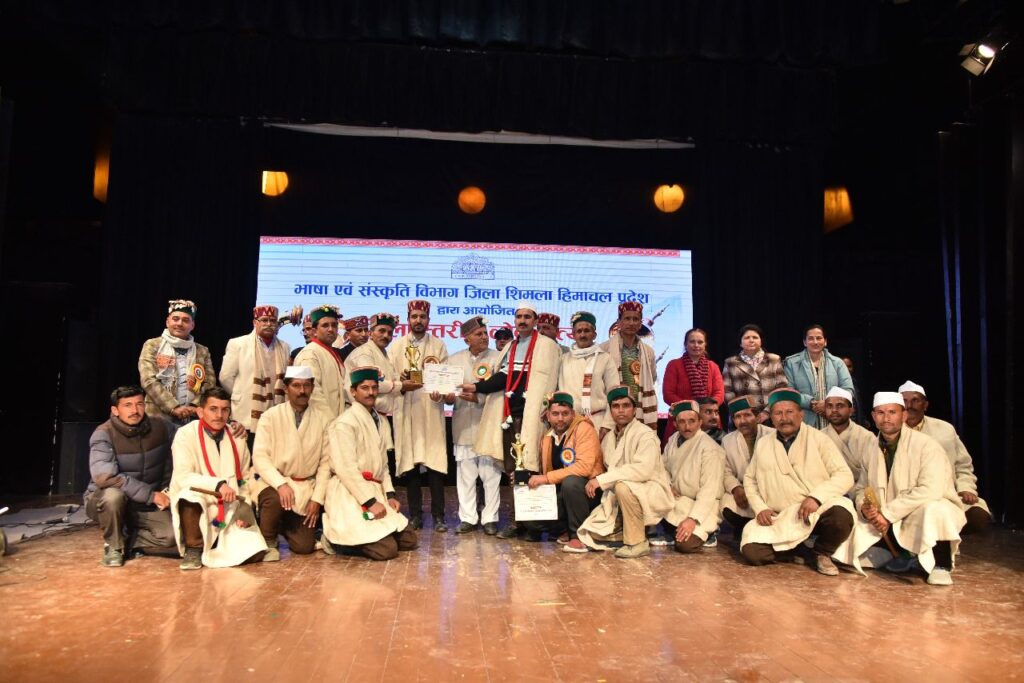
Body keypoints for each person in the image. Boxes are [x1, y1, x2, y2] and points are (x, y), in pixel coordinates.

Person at [464, 302, 561, 538]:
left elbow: (555, 382)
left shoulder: (548, 346)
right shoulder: (511, 346)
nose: (523, 320)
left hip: (535, 420)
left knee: (532, 469)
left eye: (527, 316)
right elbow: (503, 377)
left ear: (535, 321)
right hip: (510, 418)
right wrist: (476, 387)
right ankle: (518, 522)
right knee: (513, 471)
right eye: (519, 317)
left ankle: (535, 526)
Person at [851, 391, 967, 586]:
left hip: (918, 510)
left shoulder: (927, 445)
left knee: (935, 509)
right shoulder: (870, 446)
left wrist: (888, 514)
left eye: (892, 412)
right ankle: (898, 554)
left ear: (904, 415)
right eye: (880, 413)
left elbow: (931, 490)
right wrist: (865, 507)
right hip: (887, 516)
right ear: (873, 416)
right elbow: (862, 487)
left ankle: (940, 565)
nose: (886, 418)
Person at [740, 388, 856, 576]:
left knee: (841, 517)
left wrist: (816, 498)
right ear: (772, 418)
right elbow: (750, 480)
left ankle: (821, 552)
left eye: (789, 412)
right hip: (781, 516)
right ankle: (802, 550)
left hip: (815, 511)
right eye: (778, 413)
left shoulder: (819, 439)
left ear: (801, 415)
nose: (784, 418)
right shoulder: (764, 443)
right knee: (752, 552)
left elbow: (844, 475)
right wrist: (760, 508)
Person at [321, 367, 419, 560]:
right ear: (353, 391)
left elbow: (383, 465)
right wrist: (370, 502)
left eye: (374, 388)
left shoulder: (379, 421)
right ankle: (335, 542)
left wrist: (389, 495)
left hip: (375, 490)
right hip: (351, 494)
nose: (371, 392)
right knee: (387, 550)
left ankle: (376, 535)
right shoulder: (344, 423)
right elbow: (345, 469)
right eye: (365, 388)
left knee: (409, 540)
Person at [170, 387, 270, 570]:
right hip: (202, 502)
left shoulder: (237, 436)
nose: (219, 415)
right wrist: (218, 485)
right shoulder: (185, 434)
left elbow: (244, 478)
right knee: (188, 496)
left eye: (225, 410)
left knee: (256, 552)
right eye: (213, 409)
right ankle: (194, 548)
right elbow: (183, 476)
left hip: (230, 507)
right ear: (200, 412)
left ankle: (217, 543)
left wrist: (245, 509)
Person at [85, 386, 179, 566]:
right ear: (115, 410)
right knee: (113, 497)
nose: (135, 410)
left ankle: (125, 539)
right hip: (105, 500)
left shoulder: (160, 426)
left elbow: (189, 434)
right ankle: (114, 546)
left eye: (139, 404)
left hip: (143, 504)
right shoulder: (103, 434)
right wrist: (151, 495)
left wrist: (228, 426)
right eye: (127, 405)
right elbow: (105, 477)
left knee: (171, 536)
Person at [577, 386, 674, 558]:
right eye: (616, 406)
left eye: (626, 405)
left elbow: (642, 471)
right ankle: (623, 531)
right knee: (591, 533)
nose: (621, 410)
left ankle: (637, 542)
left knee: (622, 487)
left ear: (634, 410)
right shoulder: (609, 437)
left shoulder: (645, 434)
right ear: (611, 411)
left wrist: (602, 480)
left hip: (648, 488)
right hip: (619, 493)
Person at [250, 366, 332, 556]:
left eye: (306, 385)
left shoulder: (323, 419)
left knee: (304, 547)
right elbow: (260, 457)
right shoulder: (270, 416)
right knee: (274, 499)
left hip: (304, 489)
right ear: (286, 388)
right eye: (296, 385)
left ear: (312, 388)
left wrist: (317, 499)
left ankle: (283, 523)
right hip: (274, 483)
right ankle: (268, 537)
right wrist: (281, 484)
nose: (302, 391)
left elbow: (326, 463)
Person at [899, 380, 991, 534]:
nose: (909, 406)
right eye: (904, 401)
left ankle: (943, 531)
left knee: (978, 517)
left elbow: (963, 465)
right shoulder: (892, 432)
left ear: (925, 405)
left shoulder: (945, 429)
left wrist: (966, 488)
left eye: (915, 400)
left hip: (947, 494)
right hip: (911, 496)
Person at [389, 299, 450, 531]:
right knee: (410, 465)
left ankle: (439, 516)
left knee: (435, 464)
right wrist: (401, 382)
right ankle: (415, 515)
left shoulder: (439, 345)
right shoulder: (397, 347)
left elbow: (445, 378)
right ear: (408, 319)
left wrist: (441, 392)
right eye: (414, 317)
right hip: (406, 409)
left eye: (422, 317)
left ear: (428, 320)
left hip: (431, 411)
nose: (418, 320)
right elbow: (391, 378)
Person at [526, 392, 604, 552]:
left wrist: (546, 478)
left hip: (588, 492)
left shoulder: (584, 429)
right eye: (555, 414)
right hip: (562, 493)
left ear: (573, 414)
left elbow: (583, 468)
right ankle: (564, 529)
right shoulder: (547, 437)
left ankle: (578, 536)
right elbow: (546, 471)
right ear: (548, 415)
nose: (560, 418)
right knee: (531, 522)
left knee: (571, 482)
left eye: (565, 413)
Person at [447, 316, 502, 535]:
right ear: (466, 339)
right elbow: (449, 393)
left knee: (491, 476)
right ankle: (468, 518)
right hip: (463, 426)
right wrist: (445, 396)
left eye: (485, 333)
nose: (484, 337)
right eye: (478, 334)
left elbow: (500, 391)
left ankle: (490, 519)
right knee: (466, 477)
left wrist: (478, 397)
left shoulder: (497, 358)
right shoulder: (453, 360)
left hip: (489, 426)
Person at [219, 304, 291, 451]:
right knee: (245, 454)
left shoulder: (284, 347)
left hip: (275, 411)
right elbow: (226, 377)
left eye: (272, 320)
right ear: (255, 322)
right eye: (264, 320)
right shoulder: (238, 344)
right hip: (245, 413)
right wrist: (241, 393)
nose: (268, 324)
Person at [660, 400, 725, 554]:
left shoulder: (710, 448)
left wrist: (693, 519)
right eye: (682, 422)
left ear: (700, 422)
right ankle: (673, 530)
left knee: (685, 545)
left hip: (703, 505)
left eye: (692, 421)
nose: (687, 426)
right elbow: (662, 467)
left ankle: (710, 534)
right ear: (675, 424)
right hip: (679, 500)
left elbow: (709, 490)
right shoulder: (673, 439)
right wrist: (667, 485)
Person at [138, 299, 216, 425]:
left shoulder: (202, 350)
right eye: (175, 319)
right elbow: (148, 380)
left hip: (192, 417)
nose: (180, 323)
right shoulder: (152, 345)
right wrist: (173, 407)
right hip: (158, 416)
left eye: (185, 320)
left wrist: (194, 406)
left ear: (192, 325)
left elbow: (209, 382)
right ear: (167, 321)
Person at [557, 311, 618, 435]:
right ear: (573, 335)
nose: (582, 334)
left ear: (594, 334)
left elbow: (614, 394)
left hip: (598, 422)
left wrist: (607, 425)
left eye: (587, 331)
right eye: (579, 331)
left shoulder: (605, 358)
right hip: (569, 422)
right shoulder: (564, 359)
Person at [719, 396, 772, 538]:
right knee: (726, 503)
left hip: (769, 491)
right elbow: (726, 471)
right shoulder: (727, 440)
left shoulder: (772, 434)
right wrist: (736, 488)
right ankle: (746, 527)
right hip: (743, 492)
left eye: (747, 415)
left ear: (757, 417)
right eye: (737, 417)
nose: (742, 421)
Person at [601, 301, 658, 431]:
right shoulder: (604, 349)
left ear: (640, 323)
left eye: (635, 319)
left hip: (639, 409)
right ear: (619, 322)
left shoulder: (648, 351)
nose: (631, 323)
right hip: (613, 409)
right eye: (627, 318)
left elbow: (652, 378)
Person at [783, 324, 854, 428]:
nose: (815, 342)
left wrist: (828, 403)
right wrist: (811, 403)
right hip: (803, 422)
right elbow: (788, 392)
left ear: (825, 341)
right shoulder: (791, 363)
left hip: (834, 421)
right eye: (811, 338)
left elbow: (848, 390)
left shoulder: (838, 363)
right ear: (805, 342)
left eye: (819, 338)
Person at [662, 328, 725, 442]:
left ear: (705, 344)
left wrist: (706, 409)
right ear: (685, 344)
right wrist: (692, 408)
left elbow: (719, 394)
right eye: (692, 341)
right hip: (682, 419)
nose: (696, 345)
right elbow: (668, 394)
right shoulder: (674, 365)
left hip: (709, 420)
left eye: (700, 342)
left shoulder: (713, 366)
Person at [722, 324, 788, 423]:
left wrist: (766, 412)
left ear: (761, 341)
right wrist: (744, 412)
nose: (751, 340)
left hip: (770, 416)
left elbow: (782, 388)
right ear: (740, 343)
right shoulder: (730, 362)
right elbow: (727, 392)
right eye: (747, 338)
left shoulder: (774, 359)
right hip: (742, 417)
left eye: (755, 337)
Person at [345, 313, 403, 421]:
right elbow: (370, 384)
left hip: (377, 416)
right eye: (381, 331)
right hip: (363, 416)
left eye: (390, 333)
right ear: (370, 333)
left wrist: (402, 379)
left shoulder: (383, 353)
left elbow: (388, 379)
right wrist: (402, 386)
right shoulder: (364, 352)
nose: (386, 336)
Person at [293, 304, 347, 419]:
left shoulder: (330, 352)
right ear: (315, 331)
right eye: (325, 325)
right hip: (319, 422)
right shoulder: (309, 354)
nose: (331, 329)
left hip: (336, 422)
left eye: (334, 325)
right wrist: (330, 421)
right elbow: (312, 393)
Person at [821, 386, 874, 488]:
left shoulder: (867, 437)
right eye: (829, 406)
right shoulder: (818, 437)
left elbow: (872, 473)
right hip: (829, 490)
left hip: (861, 489)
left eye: (840, 406)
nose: (834, 410)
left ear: (851, 410)